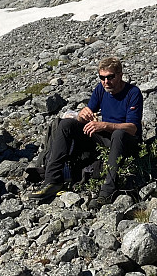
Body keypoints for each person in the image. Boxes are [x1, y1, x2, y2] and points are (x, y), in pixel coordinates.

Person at [30, 57, 143, 205]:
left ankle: (108, 191)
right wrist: (82, 116)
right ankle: (52, 180)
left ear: (120, 75)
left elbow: (133, 128)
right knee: (66, 124)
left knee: (118, 133)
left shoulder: (133, 93)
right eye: (102, 78)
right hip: (104, 137)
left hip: (126, 141)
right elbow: (88, 113)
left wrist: (104, 125)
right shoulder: (100, 89)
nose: (106, 82)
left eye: (110, 77)